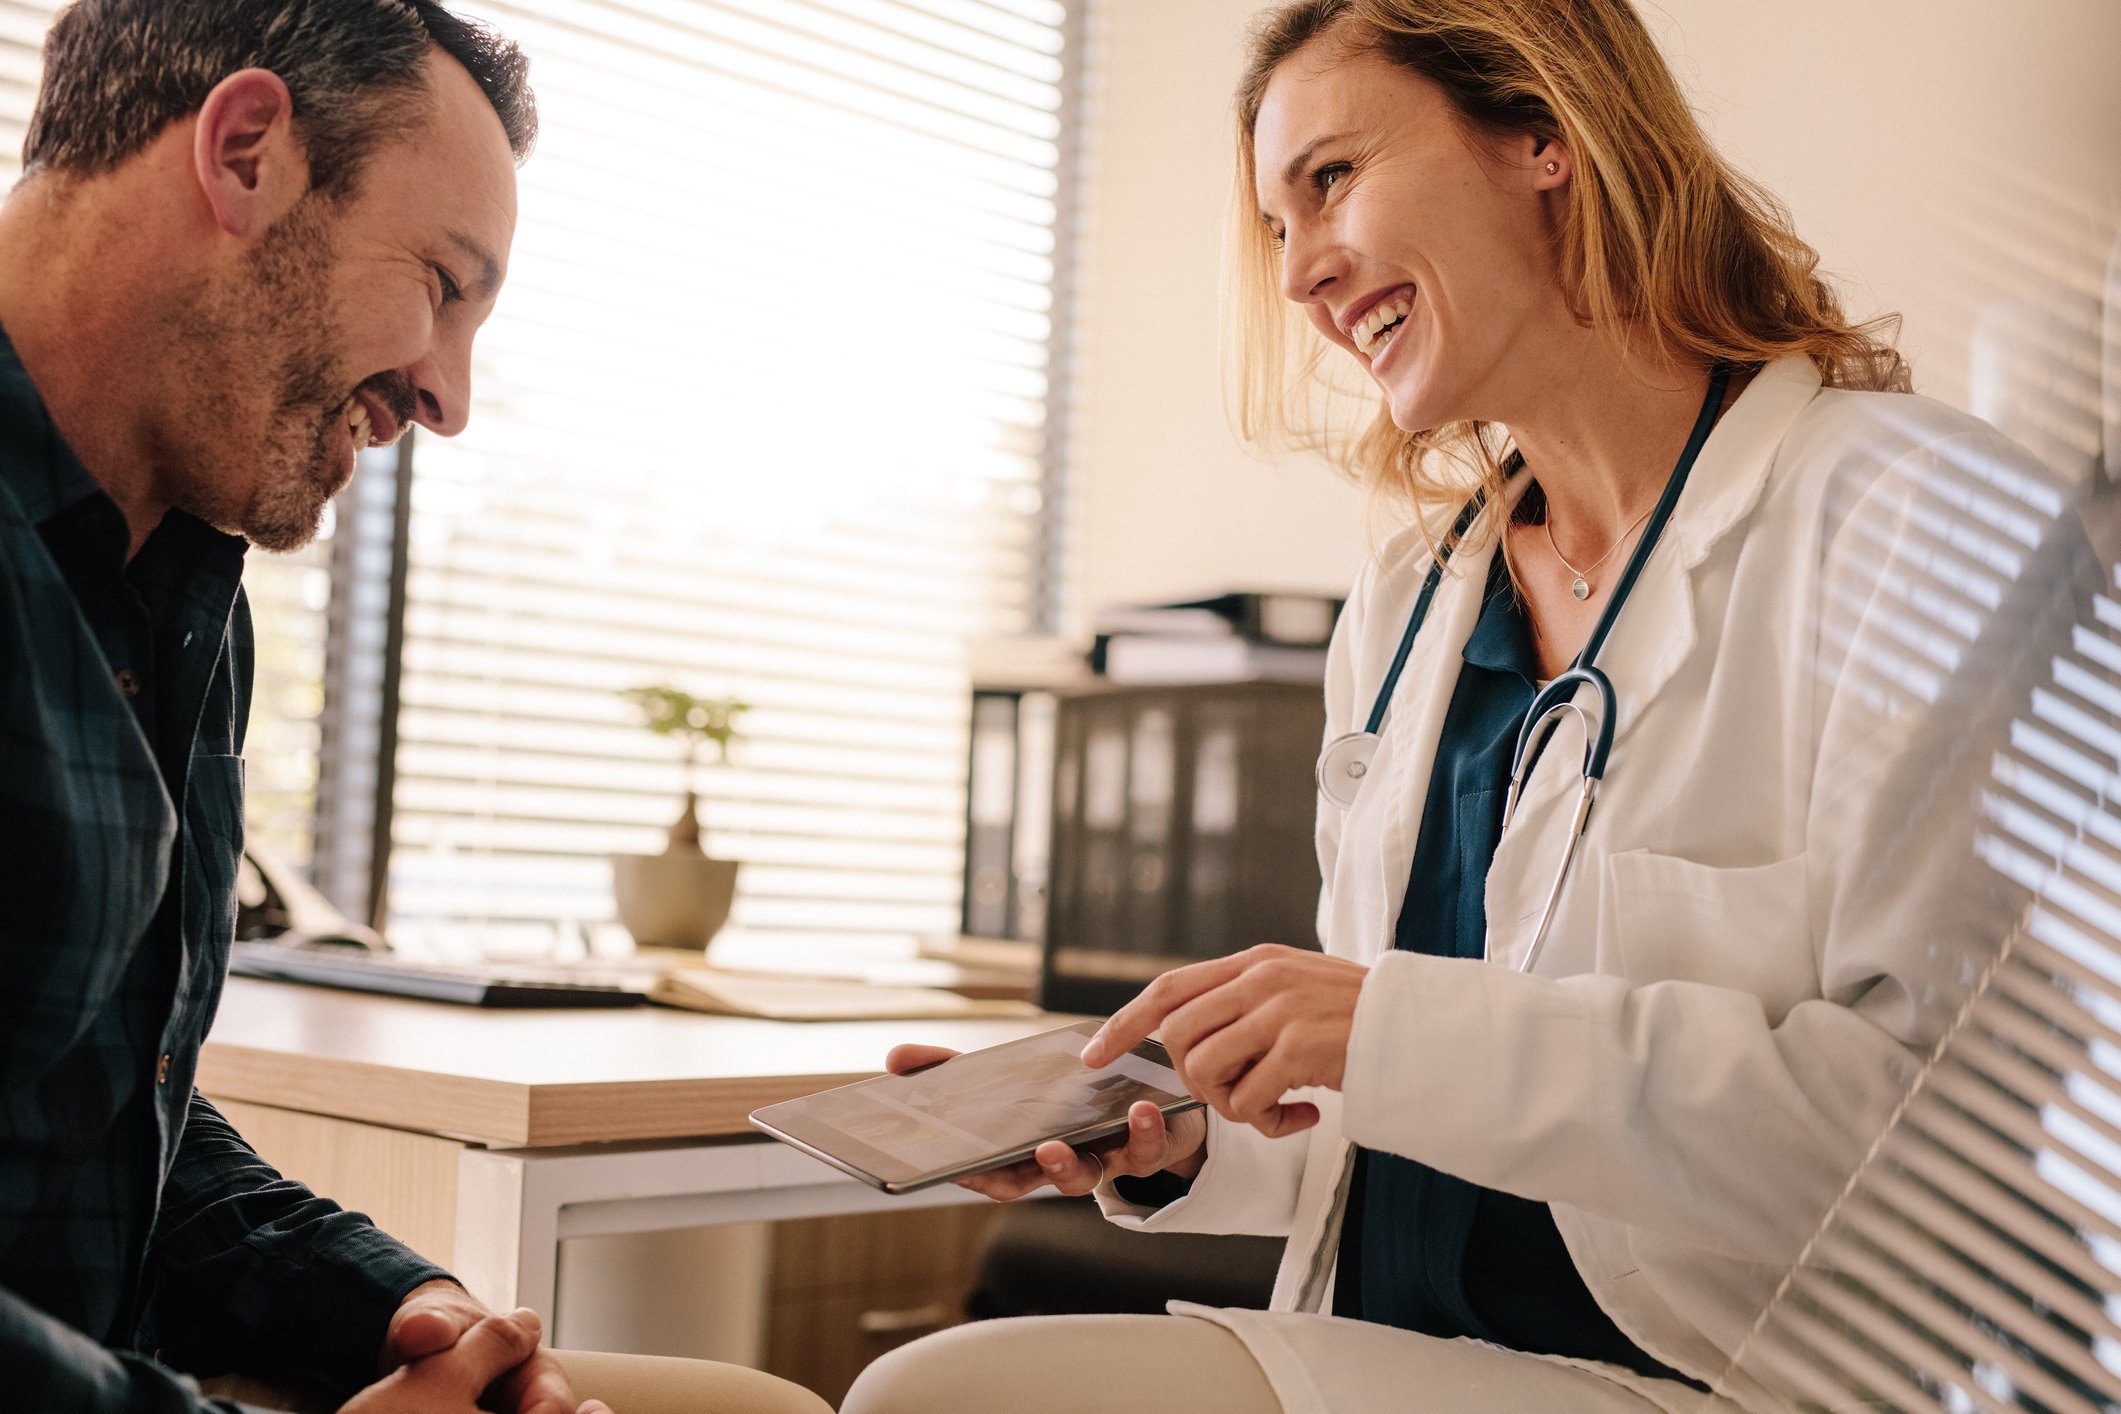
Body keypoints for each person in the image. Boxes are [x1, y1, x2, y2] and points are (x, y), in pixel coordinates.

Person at [842, 1, 2100, 1411]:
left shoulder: (1920, 525)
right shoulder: (1411, 601)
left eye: (1330, 180)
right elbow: (1390, 1114)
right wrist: (1184, 1131)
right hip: (1389, 1347)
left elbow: (1938, 1139)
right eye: (1273, 227)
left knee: (935, 1395)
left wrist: (1380, 1028)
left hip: (1716, 1373)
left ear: (1543, 136)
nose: (1304, 273)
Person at [0, 3, 604, 1411]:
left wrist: (402, 1308)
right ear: (248, 152)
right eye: (444, 286)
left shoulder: (182, 593)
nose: (445, 397)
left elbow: (96, 1126)